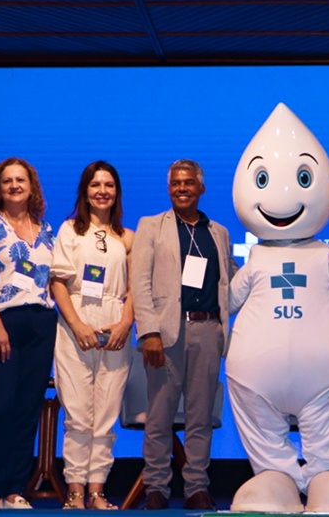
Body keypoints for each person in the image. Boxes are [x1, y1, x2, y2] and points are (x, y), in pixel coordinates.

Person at [129, 159, 237, 511]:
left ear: (201, 188)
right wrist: (149, 332)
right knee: (159, 418)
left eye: (188, 182)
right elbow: (140, 282)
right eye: (175, 183)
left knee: (200, 417)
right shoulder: (151, 226)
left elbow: (231, 278)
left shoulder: (218, 232)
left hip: (208, 331)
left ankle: (196, 487)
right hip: (165, 334)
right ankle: (156, 487)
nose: (181, 188)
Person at [0, 157, 56, 510]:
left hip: (41, 325)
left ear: (31, 187)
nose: (15, 186)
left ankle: (16, 487)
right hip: (0, 324)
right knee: (1, 406)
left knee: (27, 407)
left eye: (21, 180)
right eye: (7, 181)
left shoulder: (46, 230)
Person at [49, 161, 136, 510]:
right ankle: (75, 490)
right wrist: (78, 325)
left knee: (106, 411)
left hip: (115, 324)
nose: (102, 191)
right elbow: (57, 282)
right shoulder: (70, 230)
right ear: (85, 191)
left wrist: (124, 324)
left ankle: (97, 489)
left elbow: (136, 289)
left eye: (109, 185)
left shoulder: (128, 237)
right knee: (77, 412)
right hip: (75, 320)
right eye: (95, 184)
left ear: (117, 192)